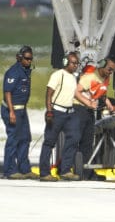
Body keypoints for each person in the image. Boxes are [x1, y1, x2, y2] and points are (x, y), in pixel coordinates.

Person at [73, 57, 115, 180]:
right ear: (101, 65)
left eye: (113, 70)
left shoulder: (106, 78)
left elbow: (103, 94)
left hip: (89, 111)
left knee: (88, 142)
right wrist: (88, 103)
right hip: (79, 109)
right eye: (109, 69)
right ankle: (73, 170)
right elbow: (76, 92)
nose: (110, 72)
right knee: (76, 140)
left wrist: (110, 107)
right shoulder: (89, 77)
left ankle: (87, 173)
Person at [38, 52, 81, 182]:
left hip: (69, 113)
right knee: (49, 142)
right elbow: (49, 94)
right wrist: (49, 111)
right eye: (73, 63)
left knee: (74, 137)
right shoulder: (58, 75)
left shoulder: (74, 77)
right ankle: (44, 173)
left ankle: (65, 170)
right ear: (66, 63)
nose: (75, 65)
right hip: (57, 112)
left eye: (77, 63)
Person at [0, 45, 34, 179]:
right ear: (20, 58)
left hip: (22, 110)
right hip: (12, 109)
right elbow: (7, 92)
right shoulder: (13, 72)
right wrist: (12, 112)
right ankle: (9, 170)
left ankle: (24, 168)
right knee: (13, 139)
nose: (29, 61)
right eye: (26, 59)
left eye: (31, 59)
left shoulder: (26, 71)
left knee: (25, 138)